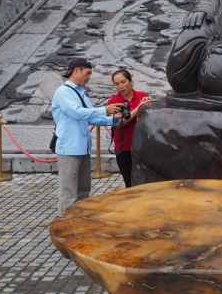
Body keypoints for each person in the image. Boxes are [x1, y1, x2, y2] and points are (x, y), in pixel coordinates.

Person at [51, 58, 122, 213]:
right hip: (69, 149)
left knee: (83, 190)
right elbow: (76, 112)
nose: (89, 77)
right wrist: (104, 109)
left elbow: (90, 117)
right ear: (77, 70)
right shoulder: (63, 92)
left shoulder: (80, 93)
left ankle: (78, 223)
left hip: (82, 148)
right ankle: (65, 227)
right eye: (87, 73)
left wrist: (114, 119)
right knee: (69, 192)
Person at [107, 69, 152, 187]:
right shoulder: (113, 102)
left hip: (142, 147)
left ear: (130, 81)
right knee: (130, 183)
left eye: (123, 82)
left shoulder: (142, 96)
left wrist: (148, 106)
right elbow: (119, 124)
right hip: (124, 147)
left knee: (146, 183)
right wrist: (138, 108)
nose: (120, 86)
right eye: (117, 84)